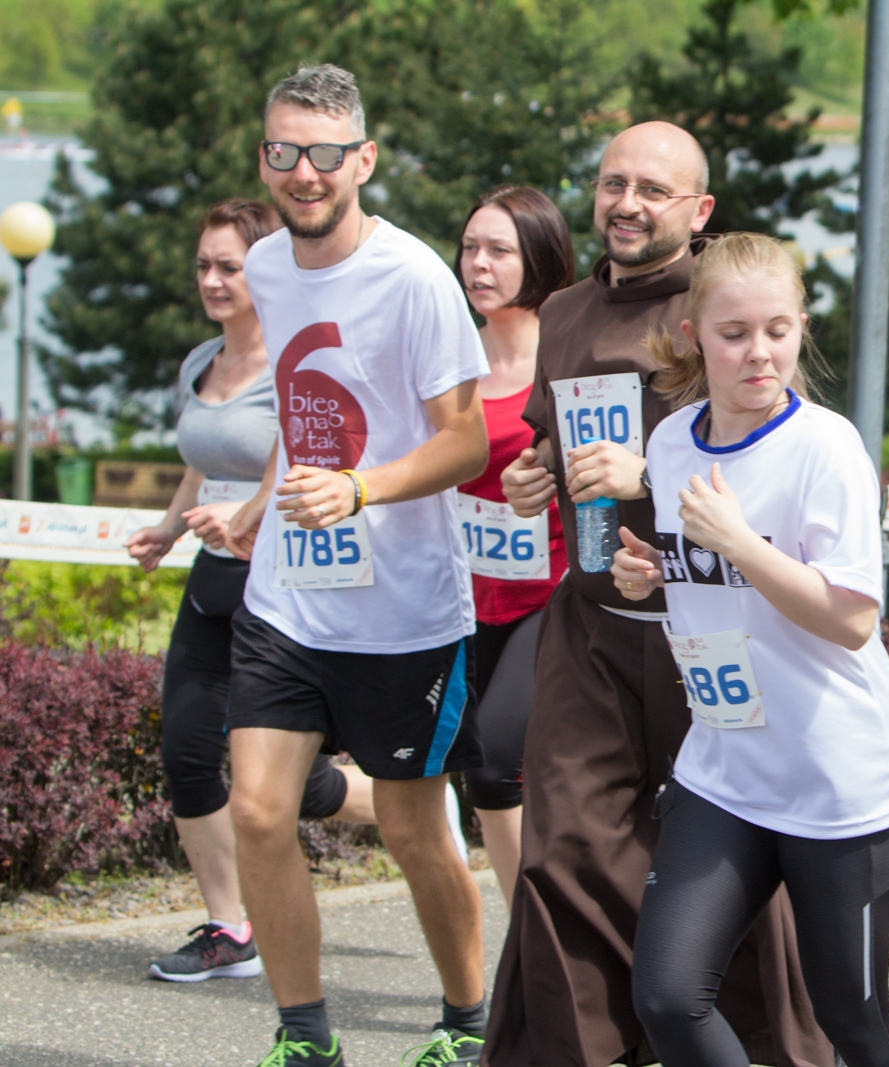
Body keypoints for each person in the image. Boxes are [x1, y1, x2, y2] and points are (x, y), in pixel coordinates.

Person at [487, 122, 832, 1067]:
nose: (627, 204)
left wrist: (651, 470)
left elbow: (777, 447)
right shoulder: (560, 312)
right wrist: (540, 470)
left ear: (699, 211)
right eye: (612, 184)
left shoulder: (725, 301)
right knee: (561, 852)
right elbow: (555, 438)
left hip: (711, 629)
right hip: (593, 620)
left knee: (733, 872)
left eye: (652, 189)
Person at [221, 65, 491, 1067]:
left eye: (326, 152)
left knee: (416, 833)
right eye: (284, 151)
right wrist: (263, 504)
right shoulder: (266, 267)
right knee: (256, 808)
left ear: (363, 159)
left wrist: (361, 488)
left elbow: (464, 444)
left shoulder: (415, 278)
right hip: (290, 590)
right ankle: (305, 1037)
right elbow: (302, 417)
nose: (304, 171)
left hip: (403, 610)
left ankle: (466, 1018)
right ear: (266, 157)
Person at [610, 232, 889, 1067]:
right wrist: (655, 571)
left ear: (801, 326)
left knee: (853, 1020)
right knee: (669, 997)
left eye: (779, 330)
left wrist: (738, 543)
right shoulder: (674, 441)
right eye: (736, 333)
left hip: (838, 781)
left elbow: (853, 617)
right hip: (726, 765)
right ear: (692, 334)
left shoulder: (827, 448)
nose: (761, 353)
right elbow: (708, 580)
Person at [125, 199, 376, 985]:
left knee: (291, 784)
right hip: (212, 581)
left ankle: (407, 800)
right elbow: (203, 461)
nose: (213, 279)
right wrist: (169, 529)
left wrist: (246, 513)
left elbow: (305, 461)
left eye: (229, 266)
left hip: (285, 580)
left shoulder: (296, 363)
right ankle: (231, 926)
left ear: (263, 268)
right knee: (188, 752)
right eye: (203, 265)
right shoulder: (202, 358)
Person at [453, 185, 574, 909]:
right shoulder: (449, 364)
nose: (479, 264)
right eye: (470, 247)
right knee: (476, 768)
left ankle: (536, 946)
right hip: (465, 597)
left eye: (499, 250)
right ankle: (531, 941)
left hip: (551, 596)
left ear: (540, 259)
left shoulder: (566, 362)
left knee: (497, 765)